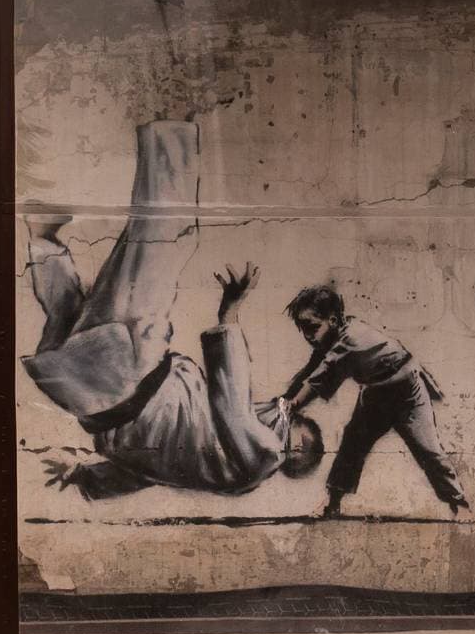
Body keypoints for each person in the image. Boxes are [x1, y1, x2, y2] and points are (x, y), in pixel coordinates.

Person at [25, 120, 300, 498]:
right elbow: (142, 473)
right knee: (72, 320)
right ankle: (43, 240)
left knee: (166, 238)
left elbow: (232, 405)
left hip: (131, 372)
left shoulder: (267, 455)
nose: (282, 413)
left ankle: (169, 126)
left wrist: (229, 318)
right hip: (81, 397)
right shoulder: (211, 467)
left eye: (295, 426)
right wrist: (82, 477)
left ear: (296, 448)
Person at [281, 286, 471, 520]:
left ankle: (459, 504)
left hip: (407, 392)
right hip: (376, 394)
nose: (308, 335)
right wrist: (286, 397)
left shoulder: (350, 340)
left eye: (312, 327)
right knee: (352, 444)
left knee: (428, 450)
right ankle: (333, 503)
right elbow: (311, 369)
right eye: (303, 329)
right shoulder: (336, 335)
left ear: (332, 320)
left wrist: (294, 404)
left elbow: (320, 378)